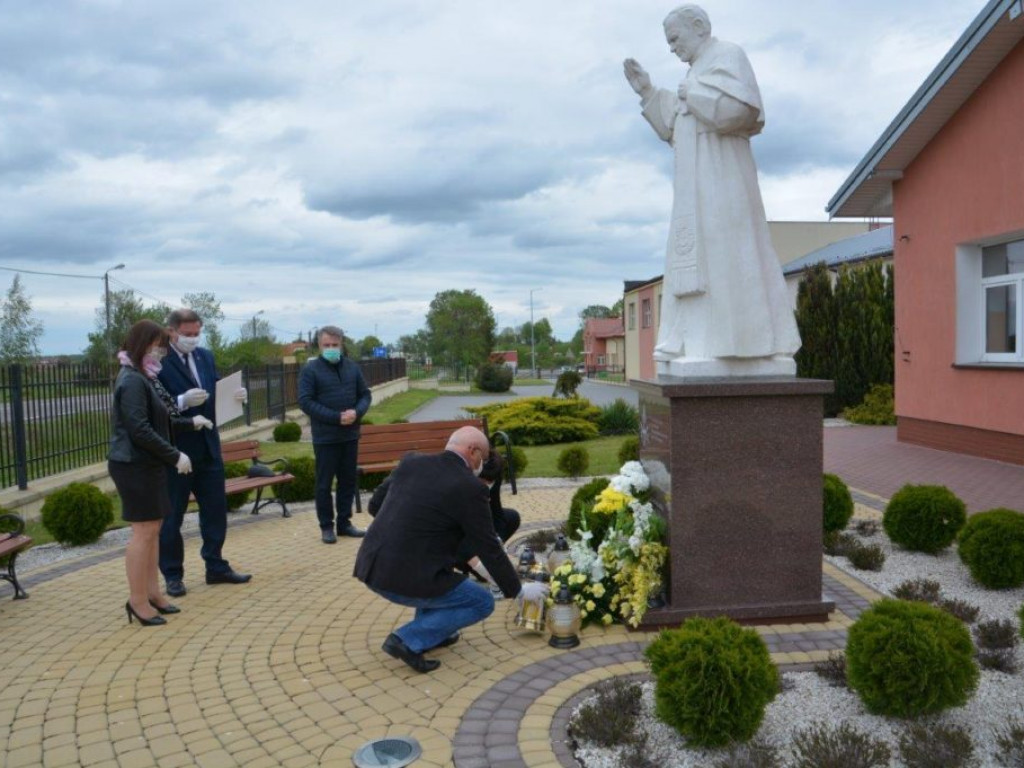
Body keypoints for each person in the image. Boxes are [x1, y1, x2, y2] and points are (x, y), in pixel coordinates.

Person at [623, 4, 800, 375]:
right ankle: (699, 341)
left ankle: (742, 346)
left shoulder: (728, 56)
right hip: (693, 189)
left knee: (728, 255)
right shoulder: (694, 74)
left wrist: (695, 92)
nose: (672, 48)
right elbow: (676, 126)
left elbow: (742, 111)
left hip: (724, 182)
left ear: (699, 27)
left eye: (675, 38)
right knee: (691, 257)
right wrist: (648, 93)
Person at [353, 426, 548, 673]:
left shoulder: (413, 462)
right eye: (484, 458)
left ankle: (434, 633)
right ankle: (407, 640)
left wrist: (416, 533)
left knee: (443, 582)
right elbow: (488, 546)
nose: (483, 465)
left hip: (371, 564)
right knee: (481, 601)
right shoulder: (470, 487)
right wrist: (519, 590)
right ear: (473, 451)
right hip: (403, 576)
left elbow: (375, 505)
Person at [109, 320, 209, 626]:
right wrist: (174, 454)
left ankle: (153, 593)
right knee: (143, 533)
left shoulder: (145, 375)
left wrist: (191, 422)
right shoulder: (132, 380)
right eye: (156, 344)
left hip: (148, 464)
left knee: (153, 530)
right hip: (133, 465)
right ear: (142, 344)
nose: (161, 350)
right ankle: (137, 600)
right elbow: (139, 429)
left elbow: (161, 419)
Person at [158, 308, 251, 598]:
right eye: (187, 334)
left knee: (214, 510)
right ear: (172, 331)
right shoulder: (159, 361)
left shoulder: (205, 356)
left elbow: (217, 391)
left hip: (209, 446)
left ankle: (216, 566)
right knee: (172, 515)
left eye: (197, 333)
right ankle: (173, 574)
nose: (193, 339)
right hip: (177, 450)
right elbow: (153, 405)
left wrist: (236, 397)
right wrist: (181, 401)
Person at [367, 448, 521, 578]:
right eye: (480, 482)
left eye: (489, 483)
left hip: (451, 523)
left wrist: (497, 541)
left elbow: (496, 512)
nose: (486, 487)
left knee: (511, 517)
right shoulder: (440, 476)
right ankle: (467, 566)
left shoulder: (492, 471)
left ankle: (475, 567)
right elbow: (375, 505)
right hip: (417, 536)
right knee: (481, 601)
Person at [298, 325, 371, 543]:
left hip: (350, 435)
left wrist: (356, 412)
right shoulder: (310, 371)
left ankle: (344, 523)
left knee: (347, 481)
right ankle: (326, 526)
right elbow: (306, 402)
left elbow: (365, 395)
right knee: (324, 483)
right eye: (326, 345)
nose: (331, 348)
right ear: (319, 346)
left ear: (342, 345)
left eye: (335, 345)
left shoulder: (352, 367)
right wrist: (335, 417)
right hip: (325, 437)